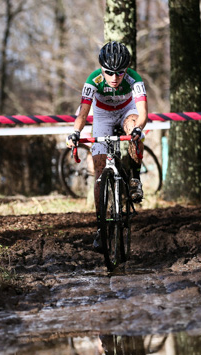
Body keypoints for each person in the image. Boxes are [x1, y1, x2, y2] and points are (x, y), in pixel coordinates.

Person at [66, 41, 148, 248]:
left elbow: (143, 113)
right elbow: (83, 113)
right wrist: (75, 132)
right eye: (109, 73)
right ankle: (101, 227)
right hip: (102, 115)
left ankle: (135, 179)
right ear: (102, 69)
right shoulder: (93, 80)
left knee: (134, 131)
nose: (114, 78)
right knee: (100, 174)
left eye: (119, 73)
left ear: (126, 70)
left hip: (126, 111)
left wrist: (138, 128)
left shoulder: (134, 79)